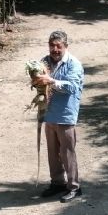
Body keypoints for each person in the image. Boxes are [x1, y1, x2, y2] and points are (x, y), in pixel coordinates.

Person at [32, 30, 84, 203]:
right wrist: (36, 80)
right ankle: (57, 183)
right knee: (53, 153)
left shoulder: (73, 64)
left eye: (58, 46)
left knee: (67, 152)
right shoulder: (44, 61)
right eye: (51, 45)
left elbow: (72, 87)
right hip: (49, 114)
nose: (54, 49)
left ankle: (74, 187)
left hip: (65, 115)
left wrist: (51, 81)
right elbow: (39, 80)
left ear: (65, 46)